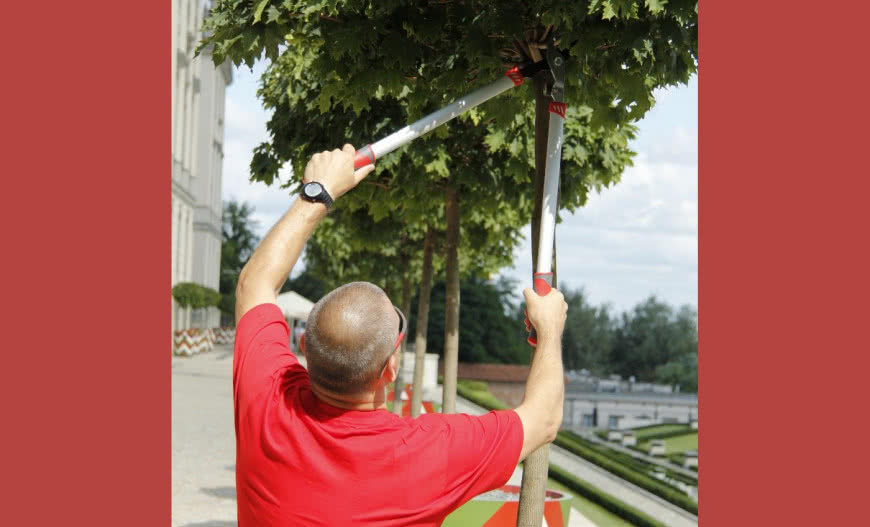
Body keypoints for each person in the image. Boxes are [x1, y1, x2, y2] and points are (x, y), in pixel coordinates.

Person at [233, 144, 568, 526]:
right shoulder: (432, 450)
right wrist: (551, 328)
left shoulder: (267, 402)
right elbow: (543, 420)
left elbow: (254, 283)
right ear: (390, 368)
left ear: (305, 348)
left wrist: (318, 191)